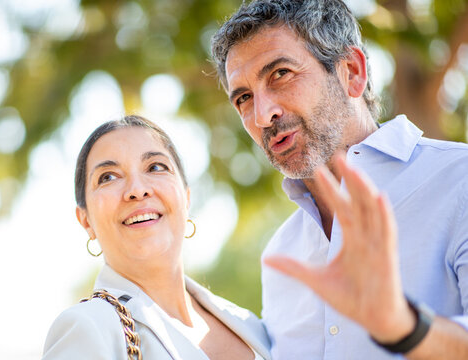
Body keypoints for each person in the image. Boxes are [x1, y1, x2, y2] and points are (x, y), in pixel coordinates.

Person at [211, 0, 468, 359]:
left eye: (281, 74)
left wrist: (403, 326)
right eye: (243, 98)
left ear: (352, 72)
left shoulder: (459, 179)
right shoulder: (280, 254)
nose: (263, 114)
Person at [41, 115, 271, 360]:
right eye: (108, 176)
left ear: (186, 197)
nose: (137, 190)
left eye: (155, 167)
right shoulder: (86, 329)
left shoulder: (248, 322)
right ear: (86, 221)